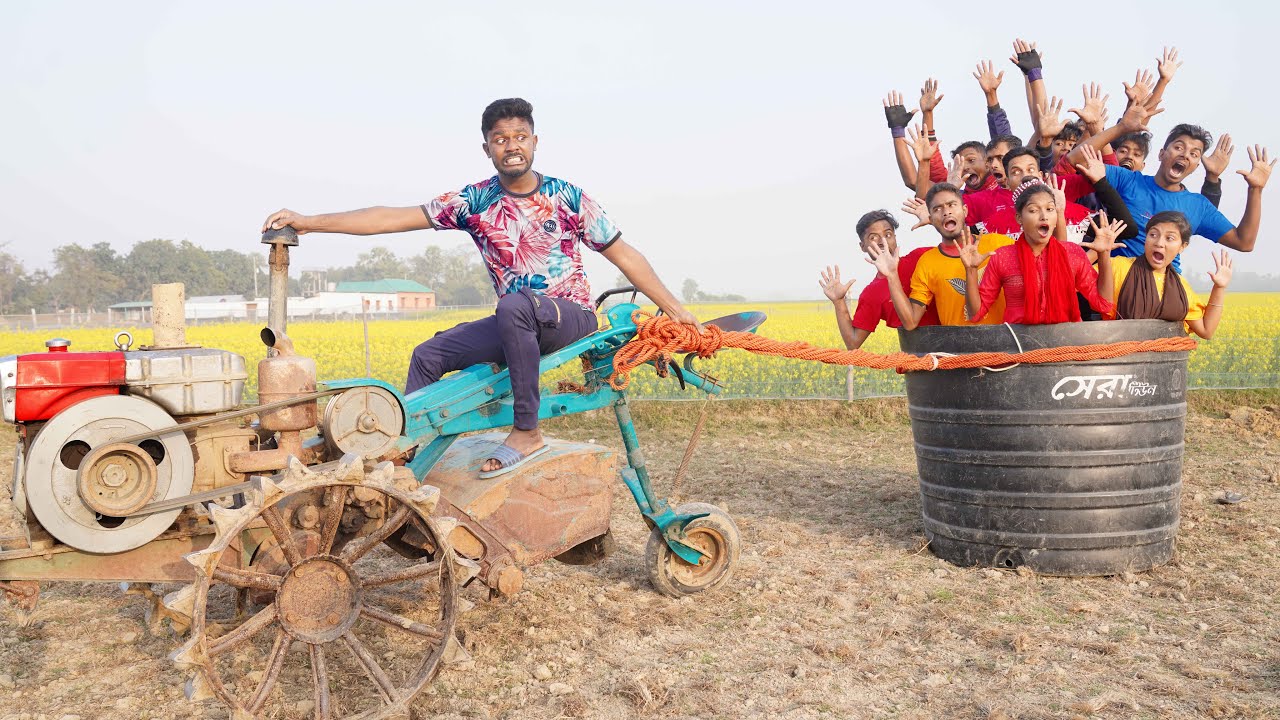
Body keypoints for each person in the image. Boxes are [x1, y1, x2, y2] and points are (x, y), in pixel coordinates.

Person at [262, 98, 698, 477]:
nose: (512, 145)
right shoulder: (475, 201)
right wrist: (310, 222)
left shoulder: (569, 197)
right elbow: (388, 218)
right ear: (487, 148)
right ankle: (405, 450)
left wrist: (675, 309)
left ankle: (527, 432)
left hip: (570, 317)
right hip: (518, 319)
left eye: (520, 136)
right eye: (501, 139)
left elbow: (625, 256)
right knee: (430, 355)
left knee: (514, 307)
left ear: (534, 142)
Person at [1068, 118, 1274, 270]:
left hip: (1165, 292)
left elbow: (1244, 242)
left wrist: (1255, 190)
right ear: (1161, 153)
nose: (1185, 155)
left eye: (1194, 154)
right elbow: (1076, 160)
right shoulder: (1128, 179)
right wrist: (1116, 128)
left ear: (1195, 166)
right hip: (1119, 284)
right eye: (1179, 147)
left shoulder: (1198, 205)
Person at [962, 179, 1121, 324]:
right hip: (1020, 347)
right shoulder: (1003, 257)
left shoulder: (1072, 253)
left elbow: (1104, 304)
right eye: (1033, 210)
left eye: (1050, 209)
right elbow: (975, 315)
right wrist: (970, 270)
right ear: (1019, 218)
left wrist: (1104, 255)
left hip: (1067, 344)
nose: (1044, 216)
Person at [867, 183, 1015, 328]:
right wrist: (892, 276)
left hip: (1007, 347)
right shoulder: (927, 262)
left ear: (965, 210)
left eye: (951, 205)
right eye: (937, 209)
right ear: (931, 220)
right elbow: (911, 322)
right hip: (959, 350)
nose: (946, 212)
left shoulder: (1000, 244)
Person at [1101, 211, 1233, 339]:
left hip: (1165, 360)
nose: (1159, 243)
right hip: (1122, 357)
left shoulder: (1181, 288)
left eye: (1169, 238)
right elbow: (1083, 278)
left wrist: (1219, 288)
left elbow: (1206, 331)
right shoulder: (1119, 267)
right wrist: (1102, 253)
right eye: (1153, 235)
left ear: (1182, 246)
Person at [819, 210, 939, 349]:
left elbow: (959, 248)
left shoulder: (922, 258)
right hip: (916, 361)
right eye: (873, 237)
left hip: (959, 348)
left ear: (895, 238)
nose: (882, 242)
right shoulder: (872, 293)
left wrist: (933, 221)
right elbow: (853, 342)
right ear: (863, 246)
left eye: (888, 234)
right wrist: (839, 302)